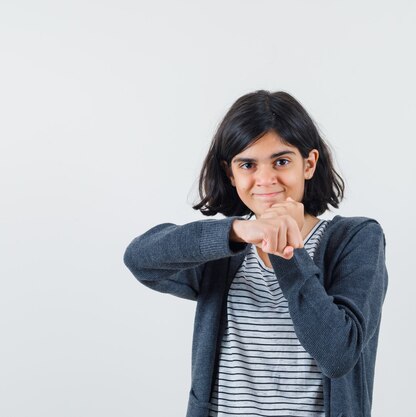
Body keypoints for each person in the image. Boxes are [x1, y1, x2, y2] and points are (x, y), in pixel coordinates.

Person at [123, 90, 388, 417]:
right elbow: (140, 259)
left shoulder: (356, 239)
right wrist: (237, 231)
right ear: (231, 174)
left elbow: (337, 354)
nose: (265, 179)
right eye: (247, 164)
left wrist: (283, 247)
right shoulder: (224, 251)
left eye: (281, 161)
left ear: (309, 164)